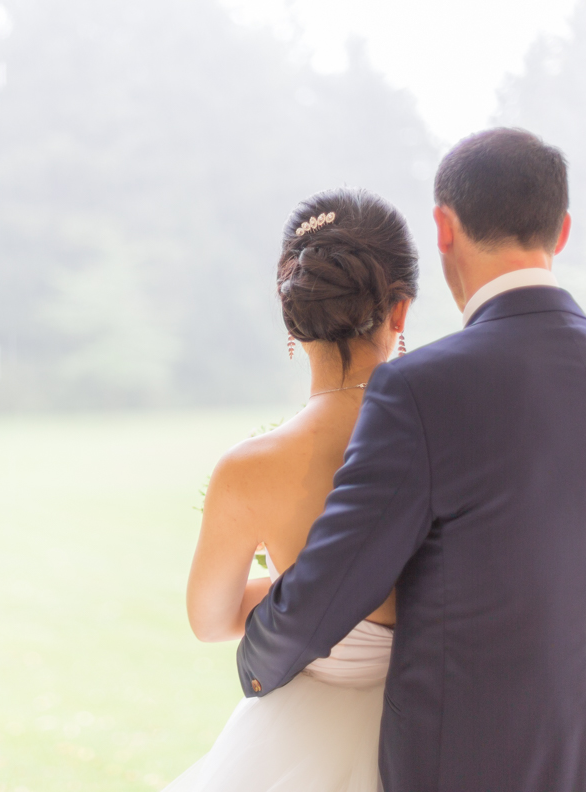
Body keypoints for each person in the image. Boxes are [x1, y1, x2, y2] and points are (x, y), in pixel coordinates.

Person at [238, 128, 586, 792]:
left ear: (443, 228)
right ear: (561, 233)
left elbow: (331, 587)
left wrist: (256, 662)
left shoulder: (421, 389)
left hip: (473, 765)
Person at [166, 187, 418, 791]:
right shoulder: (449, 439)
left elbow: (210, 619)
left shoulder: (249, 470)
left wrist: (296, 585)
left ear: (291, 314)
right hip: (432, 736)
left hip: (289, 750)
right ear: (399, 310)